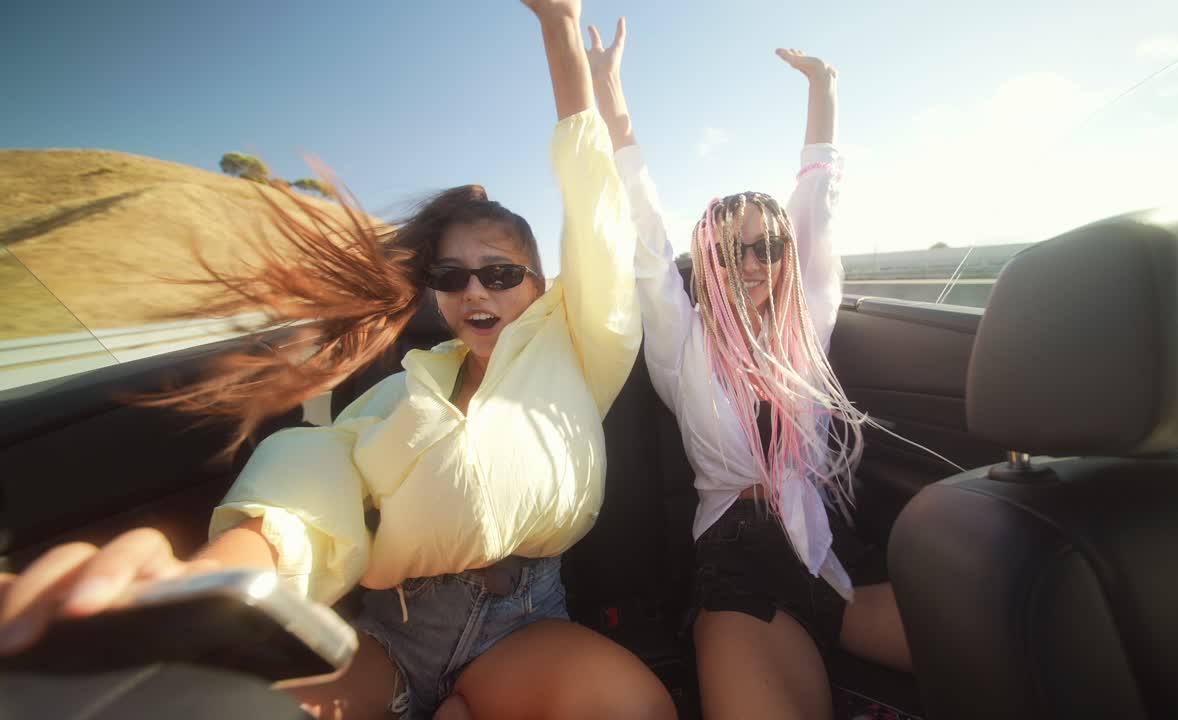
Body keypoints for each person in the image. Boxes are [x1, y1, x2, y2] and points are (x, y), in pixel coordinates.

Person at [0, 2, 679, 719]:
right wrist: (222, 577)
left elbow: (598, 217)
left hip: (519, 627)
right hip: (393, 636)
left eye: (501, 273)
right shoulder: (405, 389)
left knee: (633, 708)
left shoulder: (581, 350)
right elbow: (315, 476)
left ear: (540, 287)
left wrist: (560, 31)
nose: (474, 290)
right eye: (449, 277)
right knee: (193, 703)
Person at [587, 18, 912, 720]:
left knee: (1006, 652)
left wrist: (824, 92)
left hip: (830, 550)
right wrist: (613, 104)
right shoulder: (684, 340)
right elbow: (645, 235)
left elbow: (816, 209)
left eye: (769, 247)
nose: (757, 265)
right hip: (738, 564)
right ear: (710, 263)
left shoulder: (806, 324)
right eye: (736, 253)